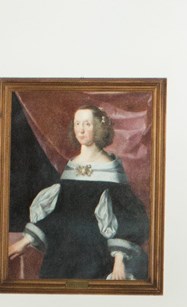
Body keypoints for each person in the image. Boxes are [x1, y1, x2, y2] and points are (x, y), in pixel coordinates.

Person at [8, 105, 149, 281]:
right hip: (62, 253)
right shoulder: (73, 165)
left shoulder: (110, 169)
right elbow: (61, 214)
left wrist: (119, 260)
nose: (80, 130)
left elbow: (131, 219)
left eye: (87, 124)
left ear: (98, 127)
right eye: (77, 124)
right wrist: (25, 241)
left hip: (97, 256)